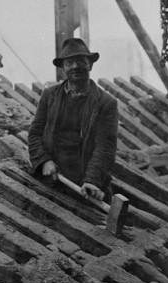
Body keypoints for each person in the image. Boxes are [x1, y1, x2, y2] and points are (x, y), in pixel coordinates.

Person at [28, 38, 118, 202]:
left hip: (86, 187)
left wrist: (92, 180)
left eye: (81, 61)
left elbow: (105, 148)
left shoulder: (106, 103)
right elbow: (34, 134)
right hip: (52, 181)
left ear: (90, 65)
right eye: (70, 62)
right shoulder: (50, 96)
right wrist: (44, 161)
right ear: (63, 68)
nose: (76, 66)